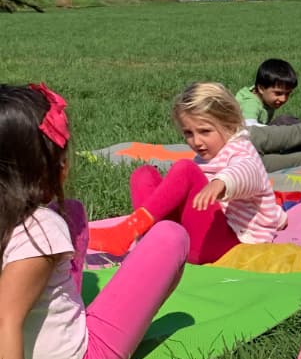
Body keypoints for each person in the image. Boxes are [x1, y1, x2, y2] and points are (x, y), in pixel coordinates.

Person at [0, 83, 189, 359]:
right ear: (44, 169)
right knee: (171, 236)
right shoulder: (41, 229)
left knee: (70, 211)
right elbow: (5, 318)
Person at [89, 82, 287, 264]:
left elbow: (246, 171)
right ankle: (150, 239)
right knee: (144, 174)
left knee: (185, 170)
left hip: (231, 243)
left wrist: (222, 183)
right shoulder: (206, 156)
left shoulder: (241, 149)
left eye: (205, 131)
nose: (196, 141)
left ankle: (128, 232)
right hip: (199, 236)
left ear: (230, 124)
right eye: (188, 133)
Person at [236, 58, 297, 126]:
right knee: (284, 121)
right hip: (241, 133)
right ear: (261, 89)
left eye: (287, 93)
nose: (283, 99)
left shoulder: (264, 97)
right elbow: (248, 125)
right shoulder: (251, 103)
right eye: (278, 93)